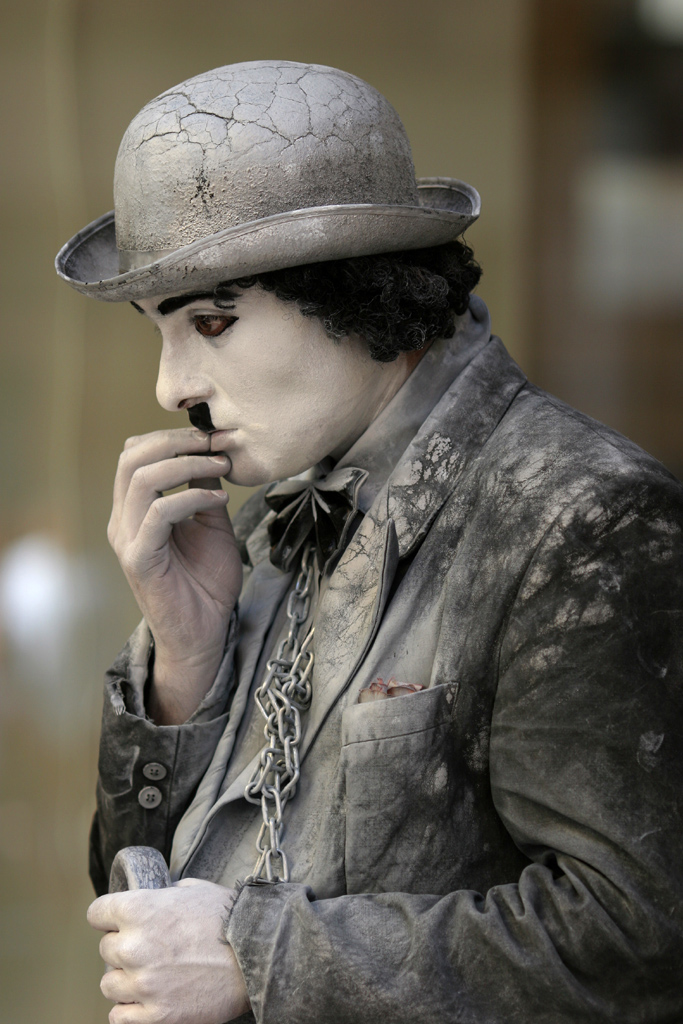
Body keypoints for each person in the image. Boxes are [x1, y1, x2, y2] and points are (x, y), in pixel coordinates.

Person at [56, 61, 683, 1024]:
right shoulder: (264, 523)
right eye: (159, 331)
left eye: (213, 322)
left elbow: (640, 941)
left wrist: (256, 954)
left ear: (356, 294)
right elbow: (142, 917)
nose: (170, 386)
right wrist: (186, 663)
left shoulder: (579, 516)